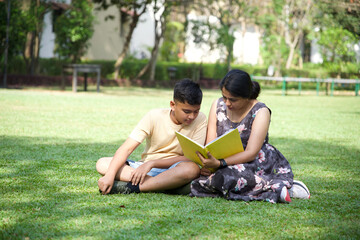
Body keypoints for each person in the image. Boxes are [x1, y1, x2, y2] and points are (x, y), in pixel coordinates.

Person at [190, 69, 297, 203]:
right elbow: (210, 142)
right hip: (220, 161)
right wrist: (209, 165)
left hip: (253, 162)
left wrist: (219, 163)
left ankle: (276, 186)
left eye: (233, 99)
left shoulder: (260, 111)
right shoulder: (218, 105)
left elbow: (251, 153)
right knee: (206, 175)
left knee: (225, 177)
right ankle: (264, 187)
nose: (227, 103)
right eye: (224, 97)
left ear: (247, 96)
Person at [96, 78, 207, 195]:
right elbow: (127, 148)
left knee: (192, 169)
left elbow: (192, 157)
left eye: (196, 111)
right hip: (144, 169)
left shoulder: (201, 119)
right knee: (102, 164)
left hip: (174, 168)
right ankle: (166, 185)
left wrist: (152, 163)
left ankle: (136, 187)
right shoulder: (154, 116)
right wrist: (109, 175)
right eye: (187, 111)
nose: (192, 116)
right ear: (173, 105)